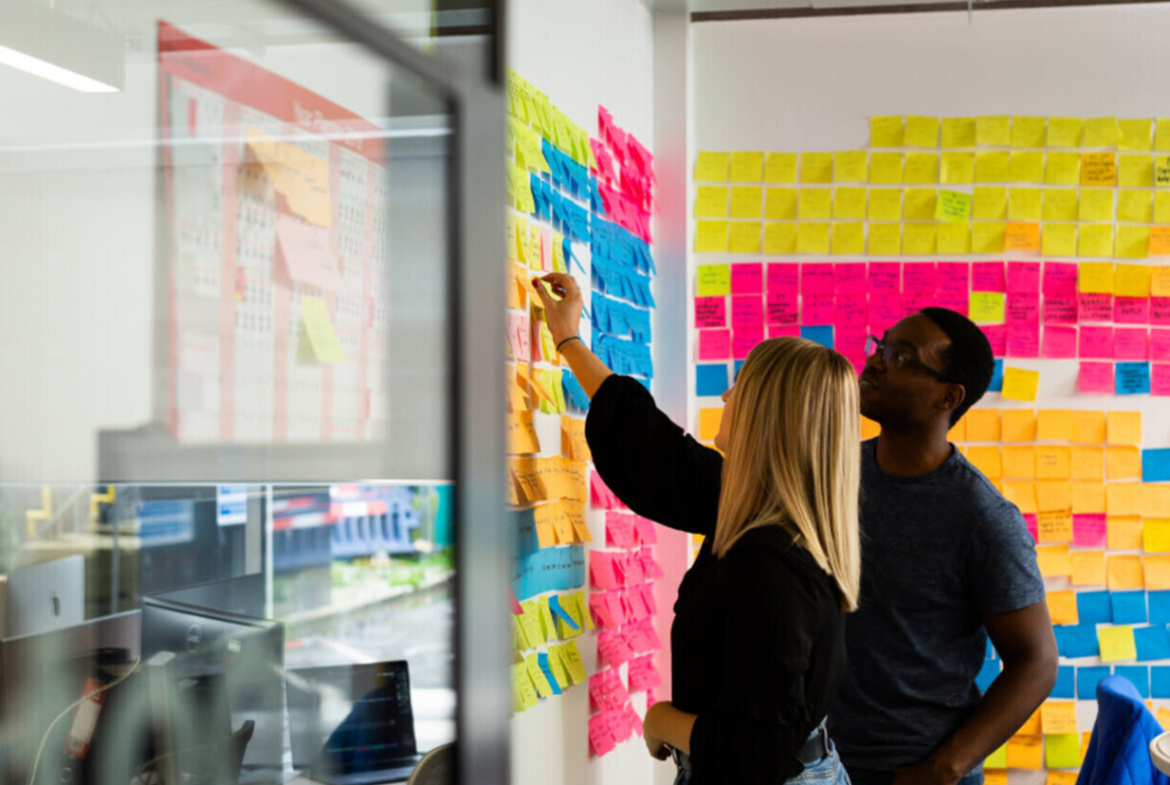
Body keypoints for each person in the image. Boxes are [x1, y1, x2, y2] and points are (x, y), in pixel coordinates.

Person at [534, 271, 861, 785]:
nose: (727, 396)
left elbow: (754, 749)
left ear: (769, 414)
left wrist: (663, 719)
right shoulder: (768, 509)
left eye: (742, 385)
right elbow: (655, 450)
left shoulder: (769, 558)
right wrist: (569, 340)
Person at [828, 308, 1058, 785]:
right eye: (881, 345)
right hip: (821, 758)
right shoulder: (837, 472)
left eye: (900, 357)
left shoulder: (983, 518)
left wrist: (945, 767)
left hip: (912, 769)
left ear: (947, 397)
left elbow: (1036, 662)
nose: (875, 362)